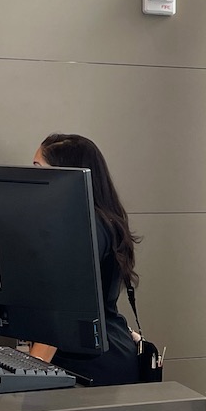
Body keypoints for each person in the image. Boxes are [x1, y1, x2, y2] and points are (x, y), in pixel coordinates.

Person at [29, 134, 142, 387]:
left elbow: (65, 307)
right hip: (103, 354)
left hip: (92, 365)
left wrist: (29, 372)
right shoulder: (100, 221)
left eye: (38, 170)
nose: (32, 180)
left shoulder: (84, 227)